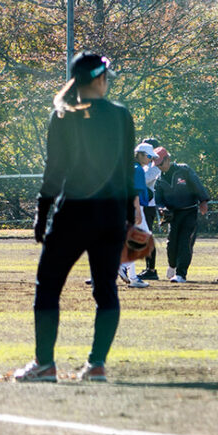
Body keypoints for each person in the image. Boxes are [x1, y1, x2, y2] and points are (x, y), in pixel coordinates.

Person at [14, 52, 137, 382]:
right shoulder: (121, 115)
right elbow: (127, 171)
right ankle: (96, 364)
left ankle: (44, 364)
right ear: (99, 79)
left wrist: (41, 215)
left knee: (49, 287)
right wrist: (130, 218)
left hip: (74, 213)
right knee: (106, 289)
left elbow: (55, 170)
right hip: (110, 215)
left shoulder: (64, 113)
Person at [152, 147, 209, 282]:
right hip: (174, 215)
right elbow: (158, 199)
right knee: (171, 244)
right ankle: (172, 265)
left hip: (190, 212)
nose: (159, 167)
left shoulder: (184, 170)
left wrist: (203, 201)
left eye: (161, 163)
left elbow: (197, 185)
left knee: (185, 242)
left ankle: (181, 274)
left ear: (168, 159)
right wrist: (163, 209)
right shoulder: (159, 180)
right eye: (157, 165)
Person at [115, 143, 154, 288]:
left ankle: (133, 278)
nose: (150, 159)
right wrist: (137, 210)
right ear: (140, 155)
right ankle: (122, 265)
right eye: (149, 156)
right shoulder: (138, 170)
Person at [136, 140, 162, 280]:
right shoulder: (148, 166)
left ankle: (151, 269)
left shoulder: (155, 167)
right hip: (143, 205)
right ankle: (148, 268)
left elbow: (144, 180)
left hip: (148, 206)